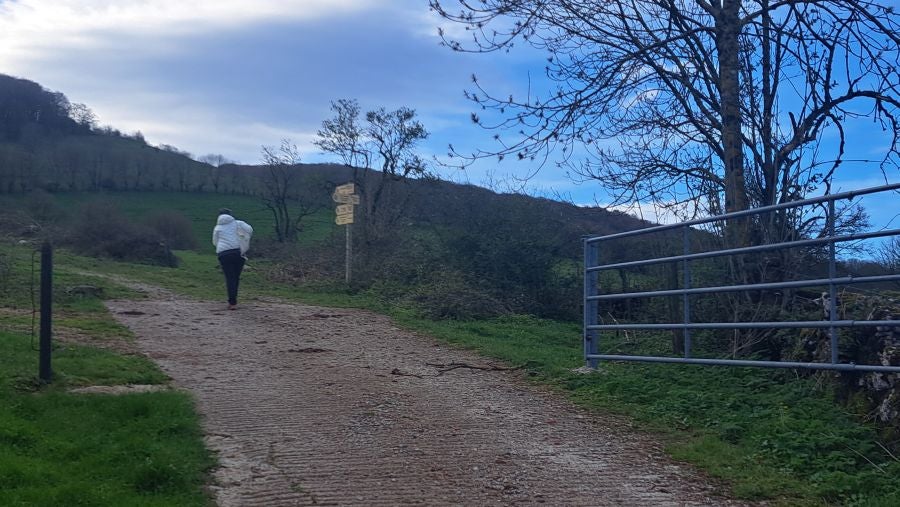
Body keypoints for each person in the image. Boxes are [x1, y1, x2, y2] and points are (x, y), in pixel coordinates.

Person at [212, 208, 253, 310]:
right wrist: (243, 238)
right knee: (236, 277)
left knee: (229, 278)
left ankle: (232, 302)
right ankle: (233, 300)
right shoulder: (238, 223)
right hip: (238, 252)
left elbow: (215, 242)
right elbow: (250, 230)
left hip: (224, 254)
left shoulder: (217, 228)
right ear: (230, 215)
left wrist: (222, 248)